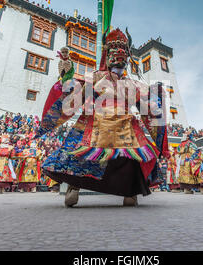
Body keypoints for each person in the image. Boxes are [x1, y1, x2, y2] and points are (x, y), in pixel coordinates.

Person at [39, 29, 169, 207]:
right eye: (115, 58)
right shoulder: (96, 77)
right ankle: (74, 186)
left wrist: (155, 99)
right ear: (108, 58)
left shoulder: (132, 84)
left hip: (123, 122)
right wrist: (66, 77)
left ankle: (130, 191)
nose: (119, 63)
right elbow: (76, 96)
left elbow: (147, 106)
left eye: (122, 59)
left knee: (131, 156)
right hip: (96, 121)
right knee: (78, 151)